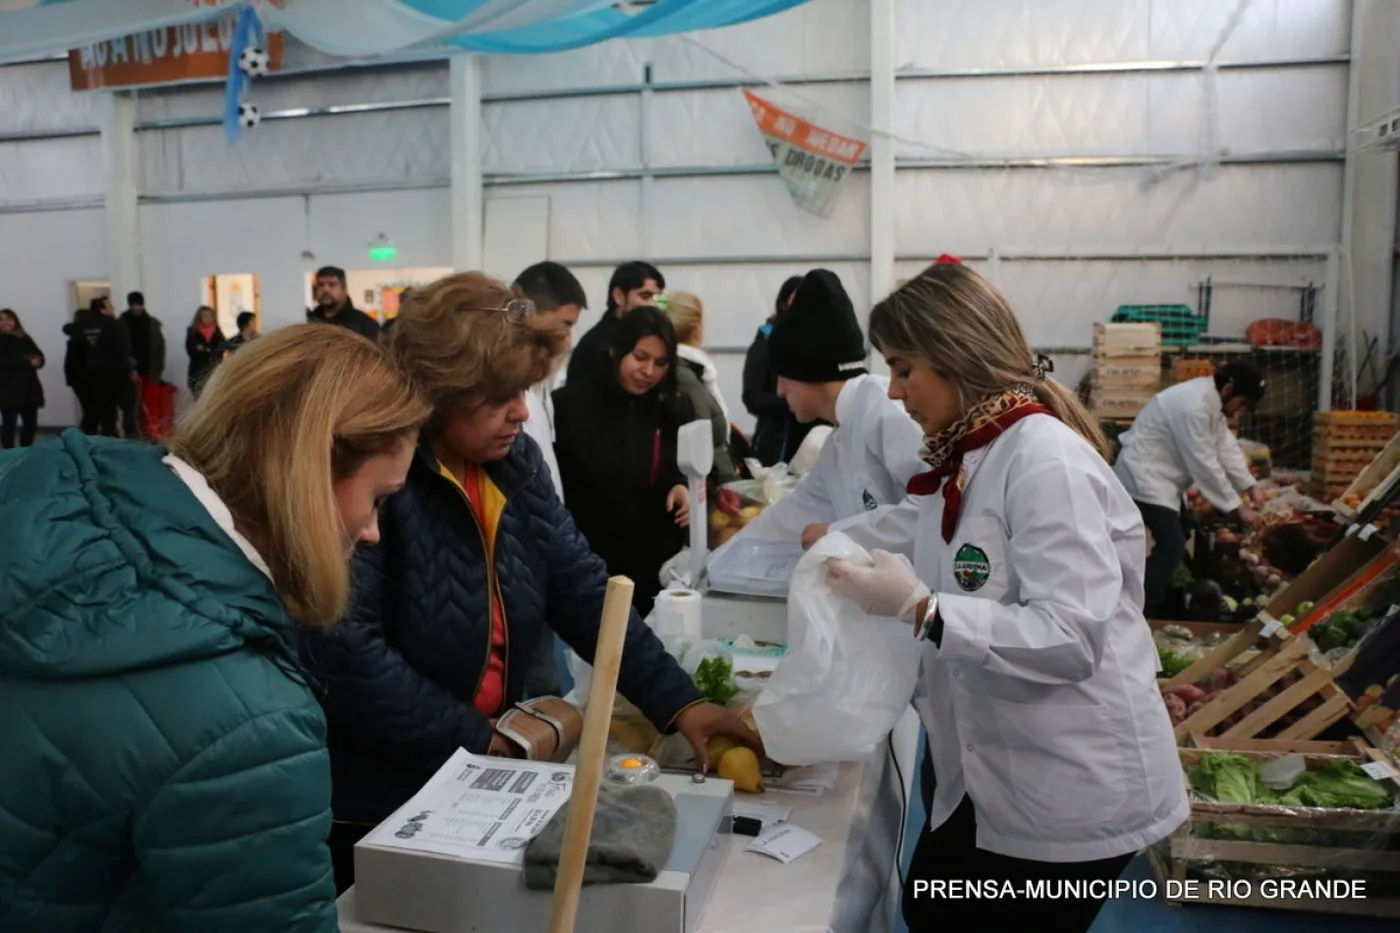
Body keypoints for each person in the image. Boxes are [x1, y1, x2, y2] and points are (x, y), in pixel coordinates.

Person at [300, 273, 759, 894]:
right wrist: (479, 739)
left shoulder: (515, 464)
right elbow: (348, 650)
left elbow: (581, 587)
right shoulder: (380, 481)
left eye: (524, 390)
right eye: (500, 396)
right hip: (381, 797)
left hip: (482, 775)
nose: (522, 411)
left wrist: (679, 701)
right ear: (439, 390)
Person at [0, 325, 430, 932]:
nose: (371, 533)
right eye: (378, 499)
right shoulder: (254, 722)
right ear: (314, 469)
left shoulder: (37, 483)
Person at [824, 262, 1187, 933]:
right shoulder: (970, 454)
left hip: (1069, 781)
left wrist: (925, 610)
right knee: (931, 905)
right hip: (996, 763)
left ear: (957, 356)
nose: (895, 392)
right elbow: (934, 534)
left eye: (905, 369)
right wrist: (833, 546)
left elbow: (1072, 634)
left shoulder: (1045, 461)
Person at [723, 269, 924, 554]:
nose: (779, 391)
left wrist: (835, 533)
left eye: (783, 376)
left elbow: (929, 510)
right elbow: (790, 516)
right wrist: (716, 562)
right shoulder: (839, 440)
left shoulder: (884, 410)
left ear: (808, 372)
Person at [555, 306, 697, 613]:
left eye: (660, 363)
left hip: (656, 570)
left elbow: (692, 467)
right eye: (640, 357)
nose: (649, 372)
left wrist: (683, 486)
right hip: (591, 564)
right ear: (615, 350)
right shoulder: (570, 406)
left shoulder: (673, 405)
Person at [1113, 361, 1267, 616]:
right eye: (1242, 403)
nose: (1241, 411)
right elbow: (1203, 462)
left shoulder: (1210, 404)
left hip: (1163, 480)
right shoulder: (1193, 405)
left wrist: (1249, 485)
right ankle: (1140, 607)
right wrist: (1237, 507)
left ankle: (1150, 588)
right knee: (1171, 544)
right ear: (1228, 389)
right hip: (1145, 477)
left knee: (1184, 529)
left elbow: (1225, 447)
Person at [514, 260, 588, 502]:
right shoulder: (500, 387)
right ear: (529, 312)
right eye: (565, 324)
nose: (568, 340)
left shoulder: (539, 384)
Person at [664, 290, 738, 484]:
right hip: (708, 487)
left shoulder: (690, 371)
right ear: (697, 329)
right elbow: (702, 443)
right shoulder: (685, 375)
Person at [743, 275, 812, 466]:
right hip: (775, 446)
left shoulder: (822, 343)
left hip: (815, 446)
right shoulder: (766, 341)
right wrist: (792, 403)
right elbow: (752, 396)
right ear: (784, 303)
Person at [564, 260, 663, 384]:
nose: (654, 305)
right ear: (619, 297)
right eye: (645, 296)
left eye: (659, 299)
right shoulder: (600, 344)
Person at [63, 297, 129, 437]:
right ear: (102, 309)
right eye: (109, 305)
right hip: (108, 378)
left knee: (91, 415)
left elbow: (68, 331)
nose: (113, 308)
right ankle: (108, 444)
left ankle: (84, 444)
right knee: (108, 415)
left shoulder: (81, 326)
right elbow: (122, 352)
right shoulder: (113, 325)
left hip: (85, 379)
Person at [119, 291, 167, 439]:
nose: (136, 308)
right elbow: (119, 348)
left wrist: (157, 372)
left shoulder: (151, 323)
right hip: (128, 372)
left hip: (149, 371)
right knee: (130, 405)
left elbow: (160, 347)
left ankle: (148, 432)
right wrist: (128, 367)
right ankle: (131, 432)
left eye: (139, 304)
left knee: (148, 404)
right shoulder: (121, 323)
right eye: (133, 305)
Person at [0, 308, 44, 449]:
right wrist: (28, 361)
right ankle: (9, 456)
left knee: (30, 424)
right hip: (8, 388)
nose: (6, 322)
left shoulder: (24, 337)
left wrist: (32, 360)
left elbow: (39, 357)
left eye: (9, 319)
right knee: (9, 425)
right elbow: (8, 360)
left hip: (30, 388)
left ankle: (26, 452)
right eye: (2, 319)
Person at [308, 265, 382, 341]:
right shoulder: (309, 322)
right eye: (321, 285)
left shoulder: (365, 325)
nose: (325, 289)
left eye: (332, 284)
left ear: (344, 288)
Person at [185, 306, 229, 399]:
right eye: (204, 316)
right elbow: (192, 350)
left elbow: (222, 346)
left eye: (210, 316)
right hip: (198, 373)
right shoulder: (192, 332)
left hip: (214, 371)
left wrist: (205, 350)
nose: (207, 318)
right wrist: (208, 351)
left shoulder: (217, 331)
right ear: (199, 318)